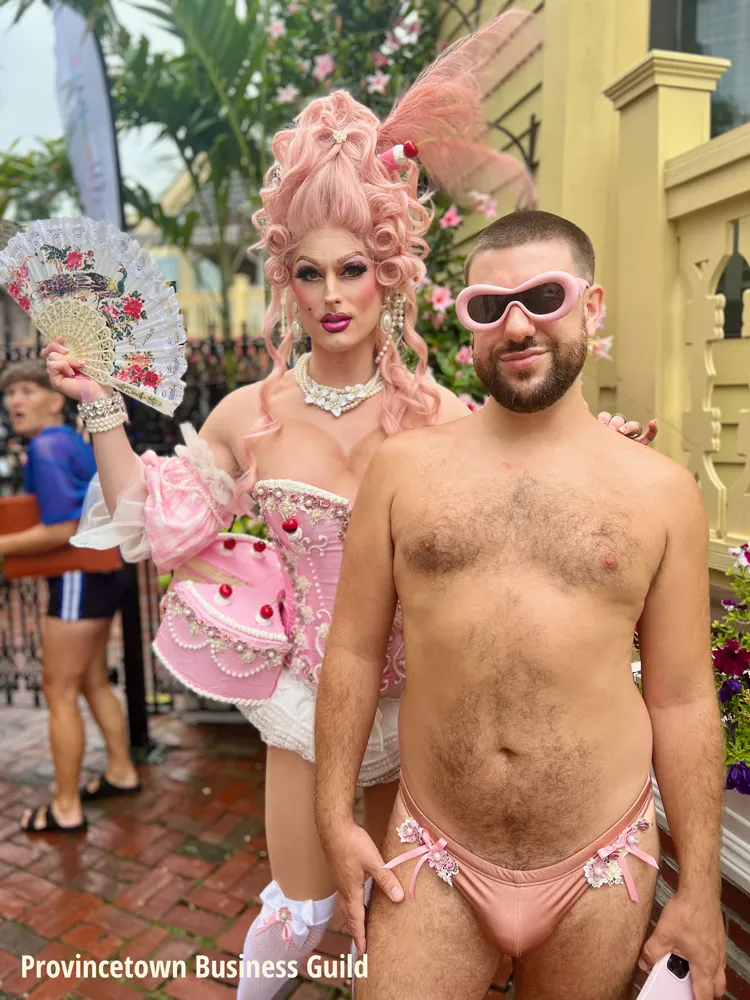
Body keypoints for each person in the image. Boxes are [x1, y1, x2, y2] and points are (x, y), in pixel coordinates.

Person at [44, 14, 651, 996]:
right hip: (306, 706)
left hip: (424, 709)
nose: (333, 294)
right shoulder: (250, 414)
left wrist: (606, 450)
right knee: (300, 911)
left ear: (389, 273)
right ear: (287, 280)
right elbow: (156, 527)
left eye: (353, 268)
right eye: (310, 271)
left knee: (398, 915)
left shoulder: (445, 416)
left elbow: (531, 480)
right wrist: (101, 405)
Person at [313, 209, 726, 1000]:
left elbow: (682, 699)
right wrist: (335, 817)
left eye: (543, 296)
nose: (516, 325)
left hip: (602, 862)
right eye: (489, 306)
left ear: (592, 307)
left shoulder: (662, 492)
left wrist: (700, 891)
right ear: (467, 322)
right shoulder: (402, 471)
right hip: (432, 851)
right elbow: (355, 652)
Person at [0, 360, 139, 834]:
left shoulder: (47, 446)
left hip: (80, 575)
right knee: (92, 679)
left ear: (56, 398)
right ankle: (121, 771)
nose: (15, 401)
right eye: (11, 393)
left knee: (58, 689)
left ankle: (65, 807)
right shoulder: (68, 441)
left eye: (27, 390)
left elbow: (62, 529)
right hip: (105, 570)